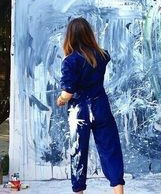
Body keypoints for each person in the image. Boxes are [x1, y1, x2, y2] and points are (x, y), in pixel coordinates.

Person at [56, 17, 125, 194]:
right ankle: (118, 190)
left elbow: (68, 92)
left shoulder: (70, 61)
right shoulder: (102, 55)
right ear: (88, 34)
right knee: (111, 149)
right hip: (100, 107)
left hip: (79, 111)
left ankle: (79, 191)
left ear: (70, 36)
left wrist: (61, 100)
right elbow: (105, 56)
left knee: (78, 152)